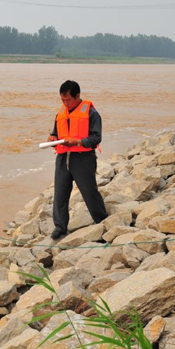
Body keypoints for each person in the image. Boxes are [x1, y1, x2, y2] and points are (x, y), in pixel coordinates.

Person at [47, 80, 108, 240]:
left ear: (78, 96)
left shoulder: (91, 113)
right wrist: (53, 137)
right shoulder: (61, 112)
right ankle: (60, 227)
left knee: (89, 192)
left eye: (68, 100)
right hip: (62, 159)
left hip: (83, 159)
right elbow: (56, 133)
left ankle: (102, 221)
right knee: (60, 194)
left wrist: (79, 141)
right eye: (62, 100)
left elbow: (96, 137)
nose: (65, 103)